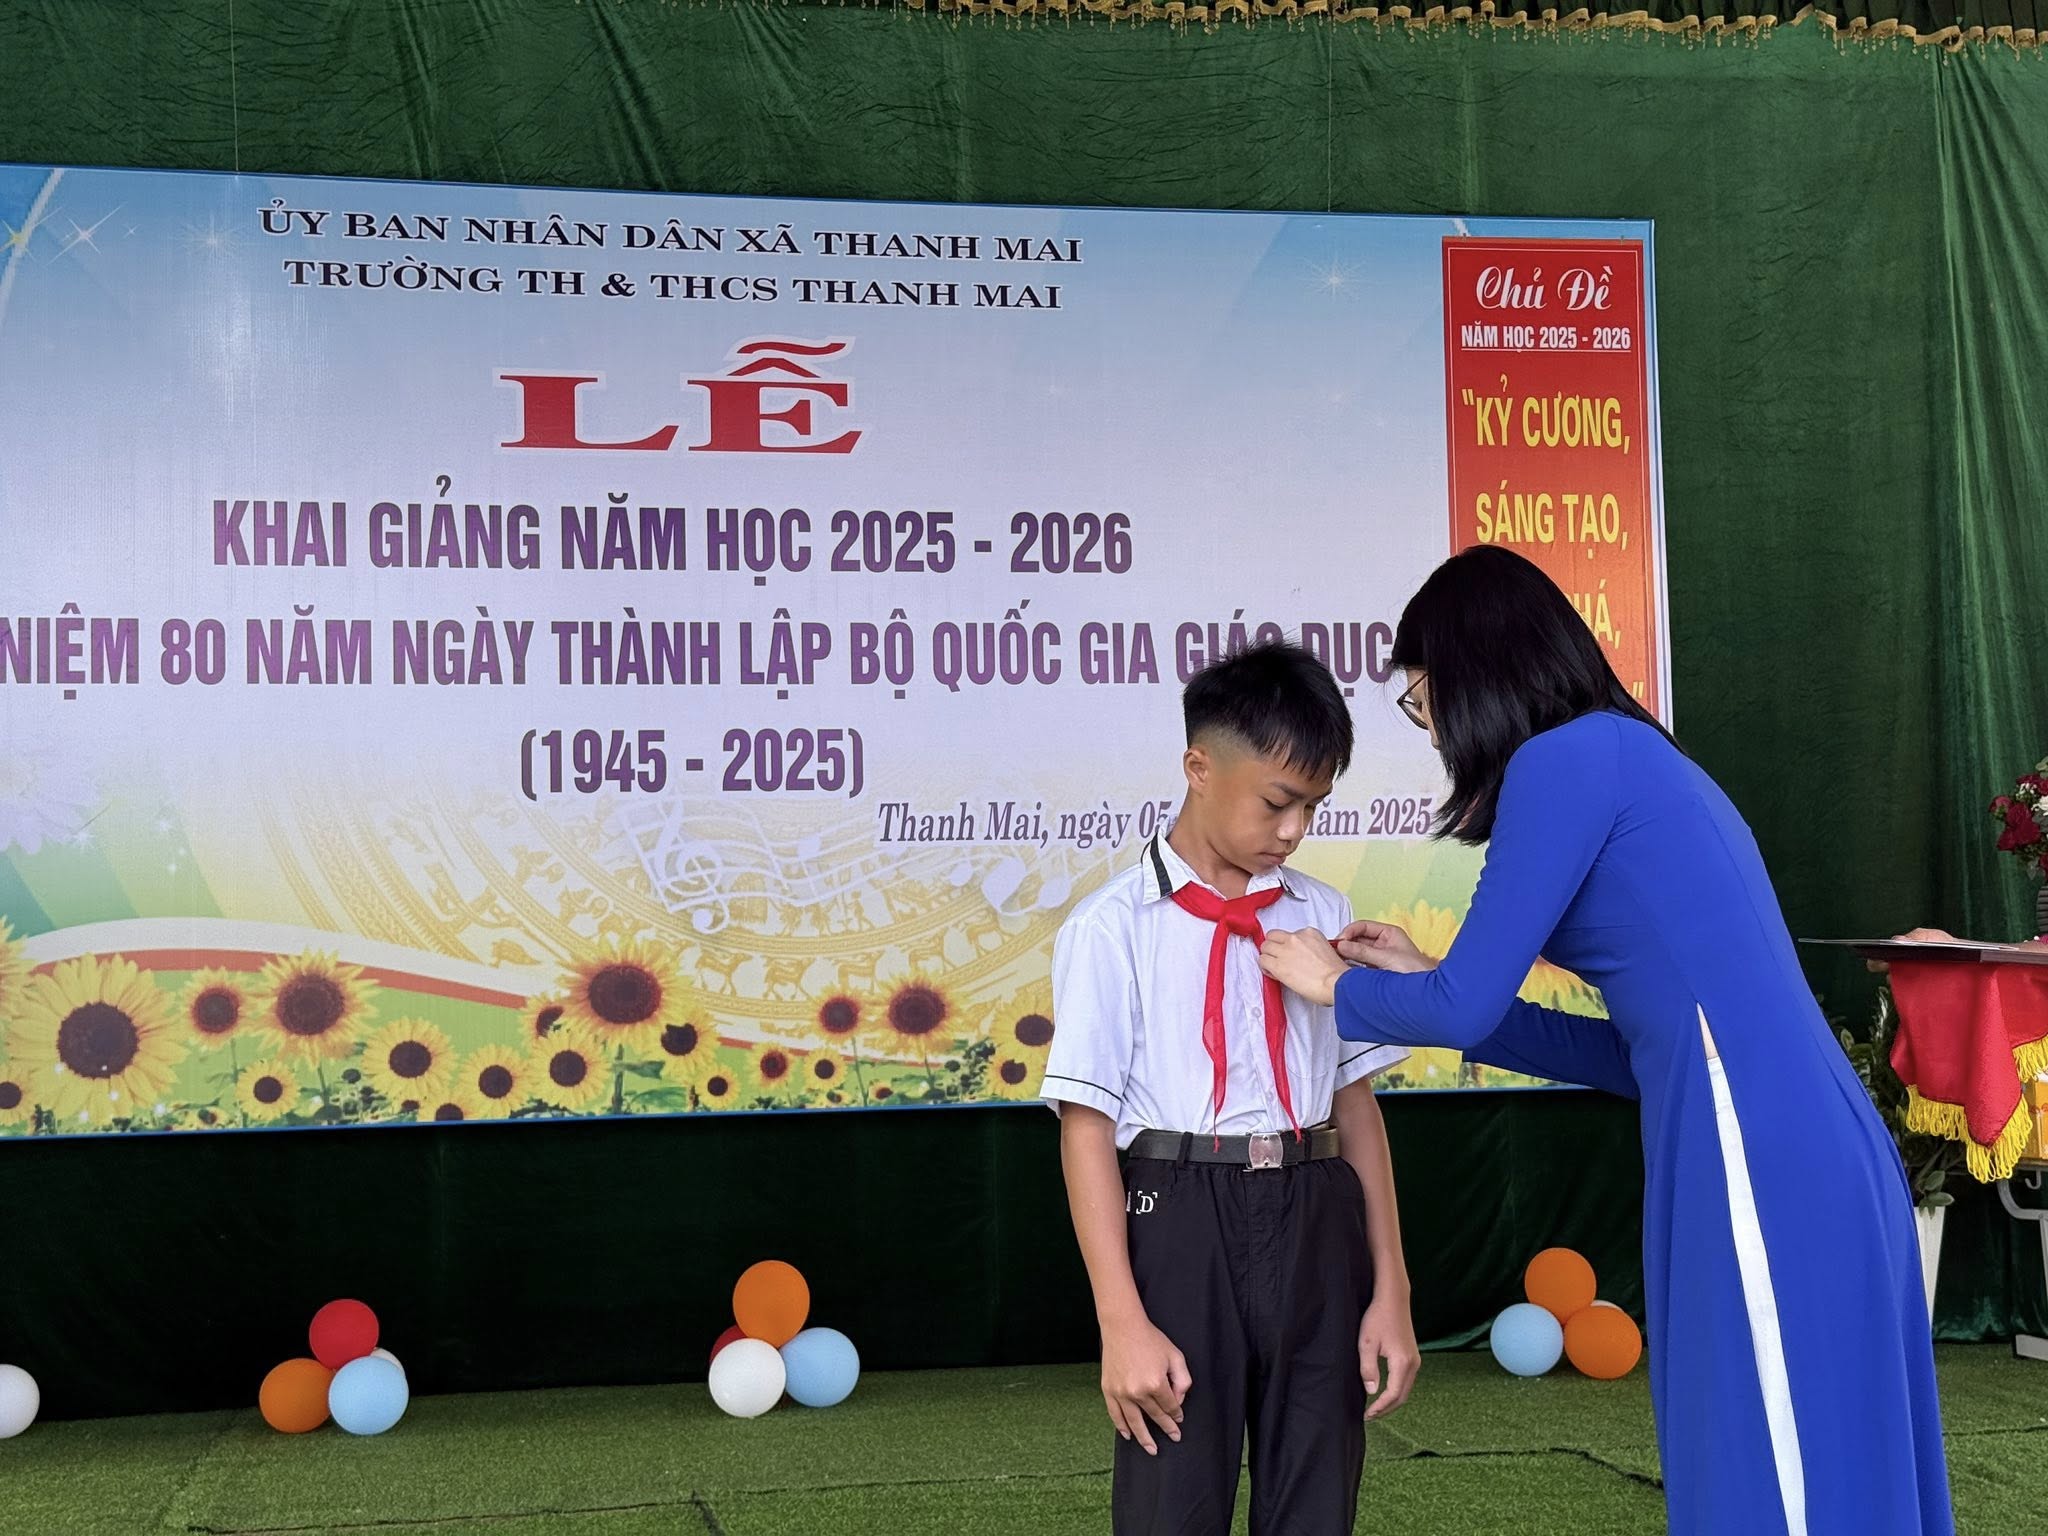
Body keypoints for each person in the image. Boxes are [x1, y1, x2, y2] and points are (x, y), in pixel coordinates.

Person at [1259, 548, 1952, 1536]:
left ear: (1475, 670)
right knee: (1798, 1447)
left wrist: (1338, 987)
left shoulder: (1562, 762)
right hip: (1772, 1126)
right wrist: (1418, 977)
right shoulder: (1624, 754)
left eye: (1423, 700)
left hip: (1754, 1145)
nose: (1434, 730)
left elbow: (1460, 1011)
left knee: (1772, 1465)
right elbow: (1628, 1051)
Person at [1043, 640, 1417, 1536]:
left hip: (1315, 1208)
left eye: (1313, 807)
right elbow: (1085, 1129)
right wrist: (1120, 1322)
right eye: (1278, 802)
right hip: (1177, 1213)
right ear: (1199, 768)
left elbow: (1356, 1108)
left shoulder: (1323, 916)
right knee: (1173, 1503)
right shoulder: (1111, 928)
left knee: (1316, 1499)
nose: (1293, 831)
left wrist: (1392, 1290)